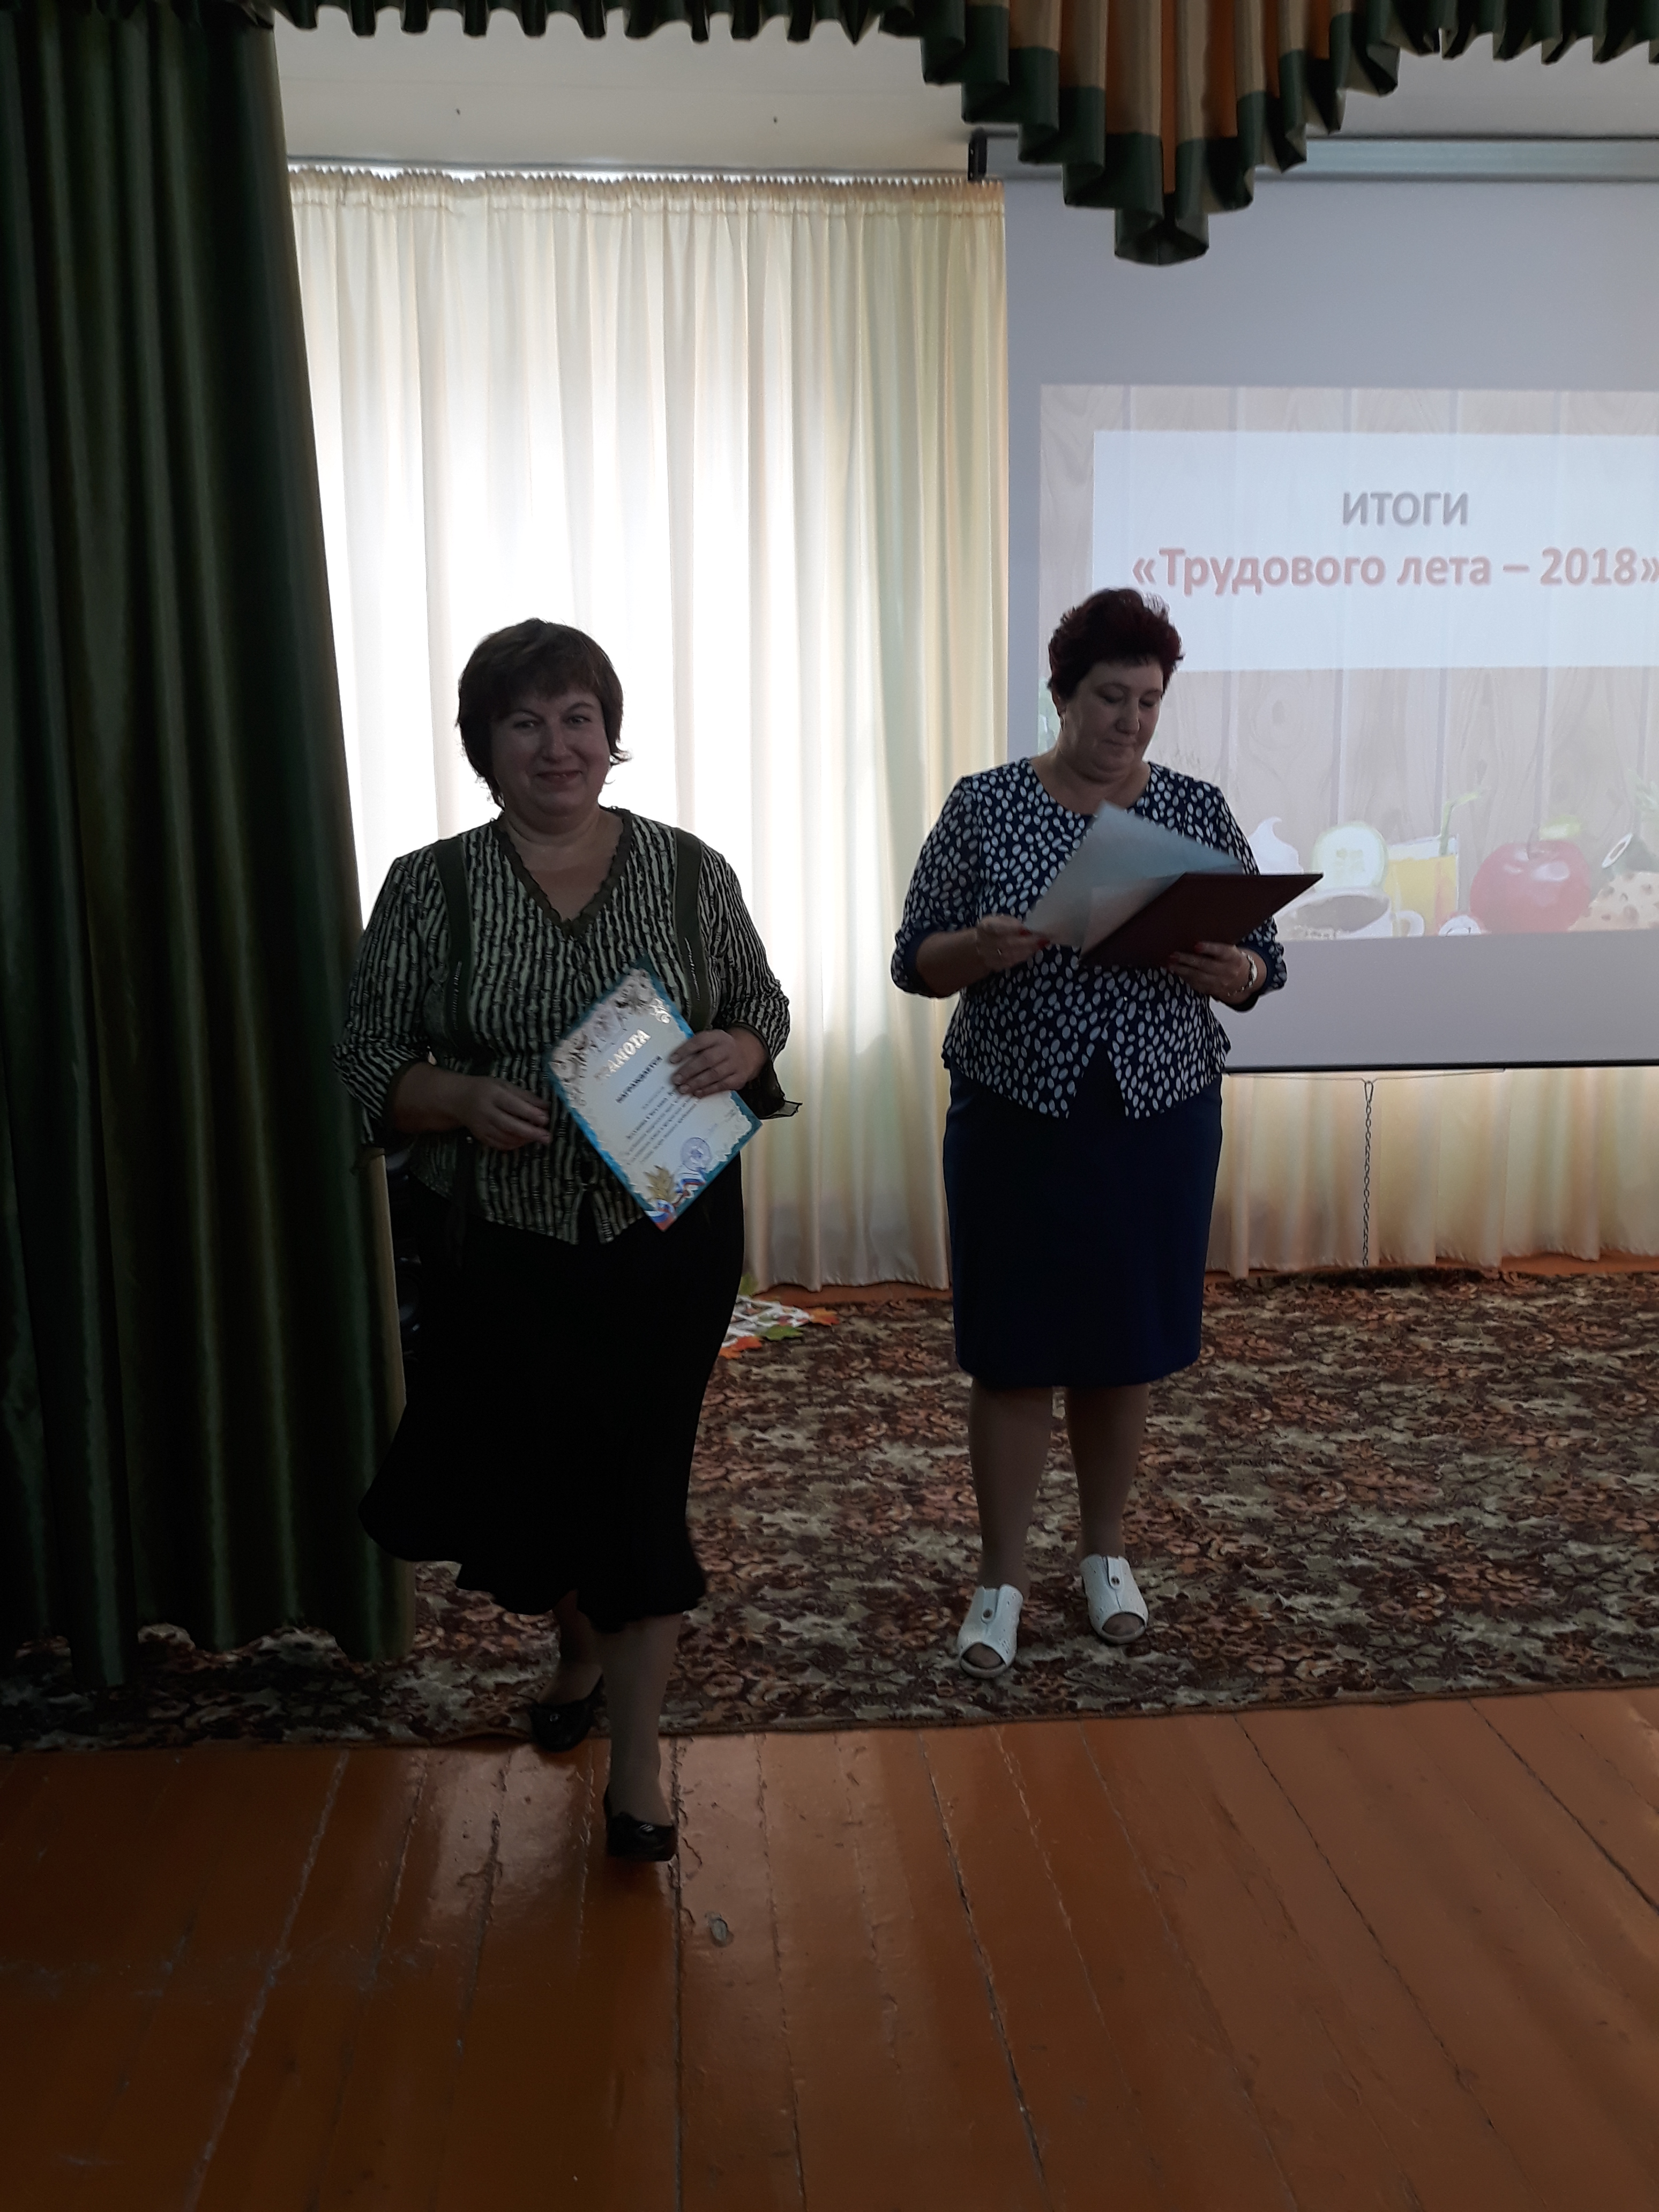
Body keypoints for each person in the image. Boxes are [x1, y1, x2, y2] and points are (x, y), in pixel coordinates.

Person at [336, 619, 789, 1859]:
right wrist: (452, 1096)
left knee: (640, 1482)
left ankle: (636, 1770)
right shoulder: (429, 886)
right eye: (526, 722)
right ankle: (577, 1653)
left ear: (610, 733)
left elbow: (761, 1004)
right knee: (543, 1481)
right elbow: (364, 1056)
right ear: (485, 745)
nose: (556, 745)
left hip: (668, 1231)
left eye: (578, 717)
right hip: (502, 1244)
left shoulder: (690, 871)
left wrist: (742, 1047)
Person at [891, 587, 1284, 1675]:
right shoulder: (986, 806)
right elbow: (915, 958)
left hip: (1158, 1115)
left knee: (1124, 1351)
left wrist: (1237, 972)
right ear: (1062, 696)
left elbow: (1265, 961)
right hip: (1017, 1113)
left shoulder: (1196, 808)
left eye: (1149, 701)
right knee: (1014, 1352)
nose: (1131, 721)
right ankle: (1002, 1578)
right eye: (1112, 697)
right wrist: (978, 949)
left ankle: (1106, 1554)